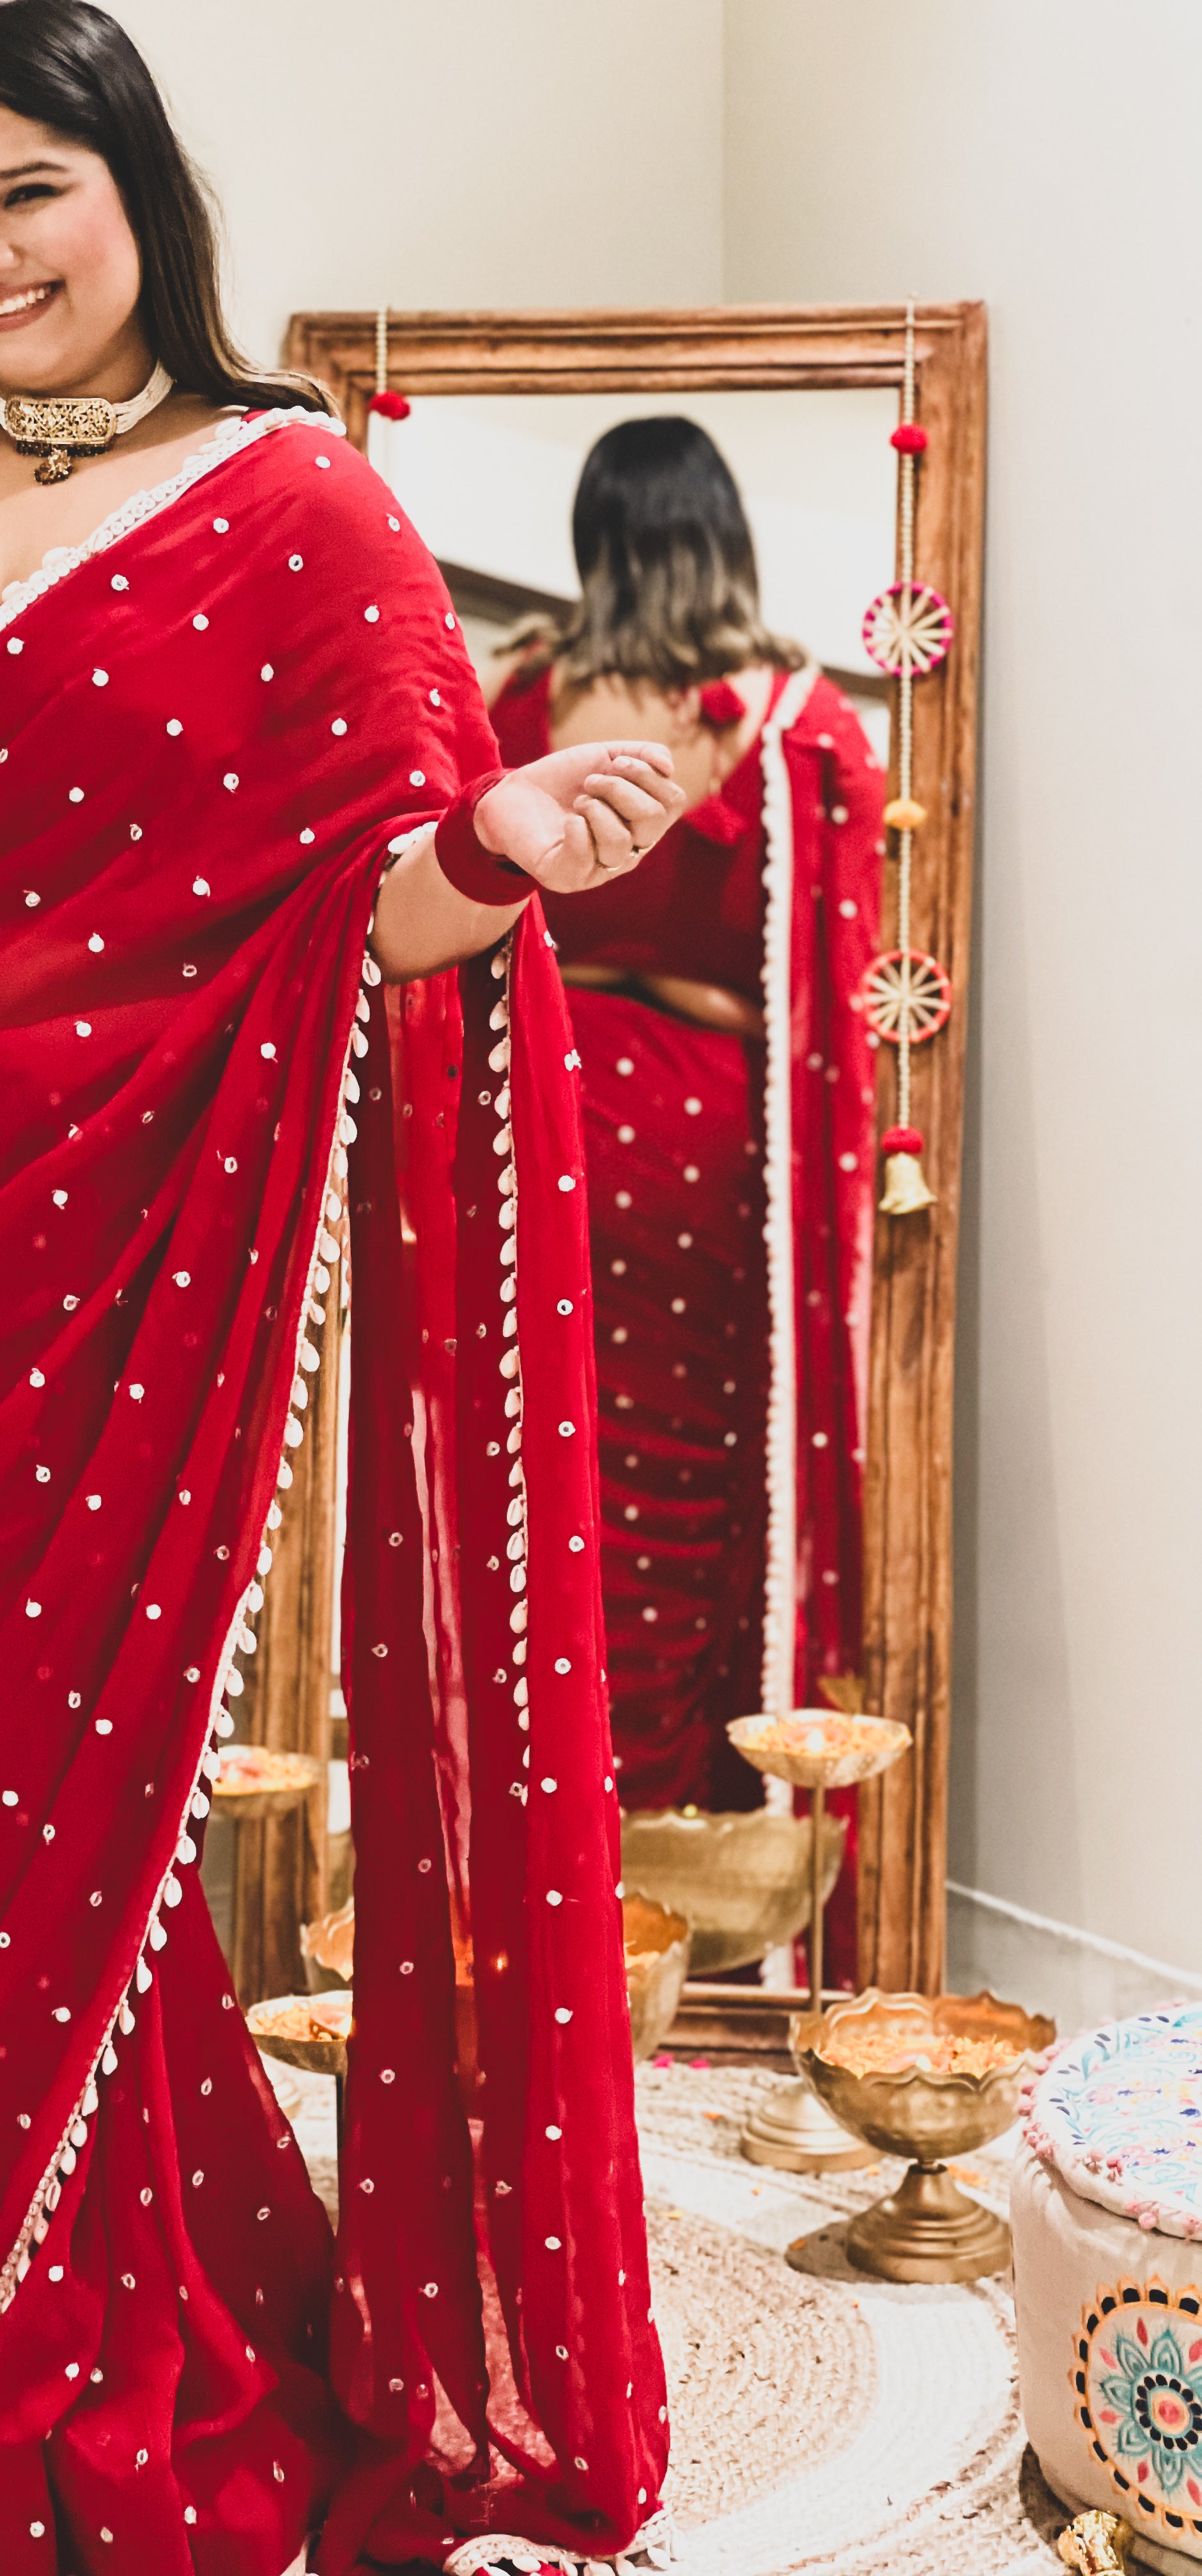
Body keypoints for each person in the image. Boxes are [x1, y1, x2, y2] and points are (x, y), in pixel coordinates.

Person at [0, 8, 684, 2568]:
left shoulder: (293, 500)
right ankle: (11, 2371)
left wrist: (514, 841)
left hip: (122, 1263)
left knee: (75, 1834)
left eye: (30, 195)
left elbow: (362, 925)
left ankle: (149, 2348)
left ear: (140, 196)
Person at [486, 419, 884, 1885]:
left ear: (599, 536)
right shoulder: (796, 721)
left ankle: (554, 1847)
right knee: (697, 1488)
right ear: (723, 536)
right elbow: (842, 994)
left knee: (551, 1473)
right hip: (716, 1158)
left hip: (551, 1130)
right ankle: (684, 1858)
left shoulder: (523, 693)